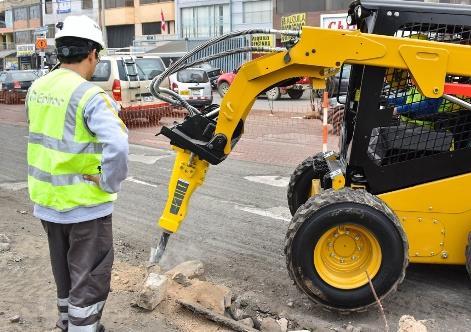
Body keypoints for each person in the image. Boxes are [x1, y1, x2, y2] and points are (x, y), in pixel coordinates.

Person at [26, 15, 129, 332]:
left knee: (66, 277)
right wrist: (108, 181)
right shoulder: (89, 96)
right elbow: (118, 144)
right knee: (90, 281)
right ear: (93, 54)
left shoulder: (37, 88)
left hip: (49, 206)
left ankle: (67, 324)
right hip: (85, 209)